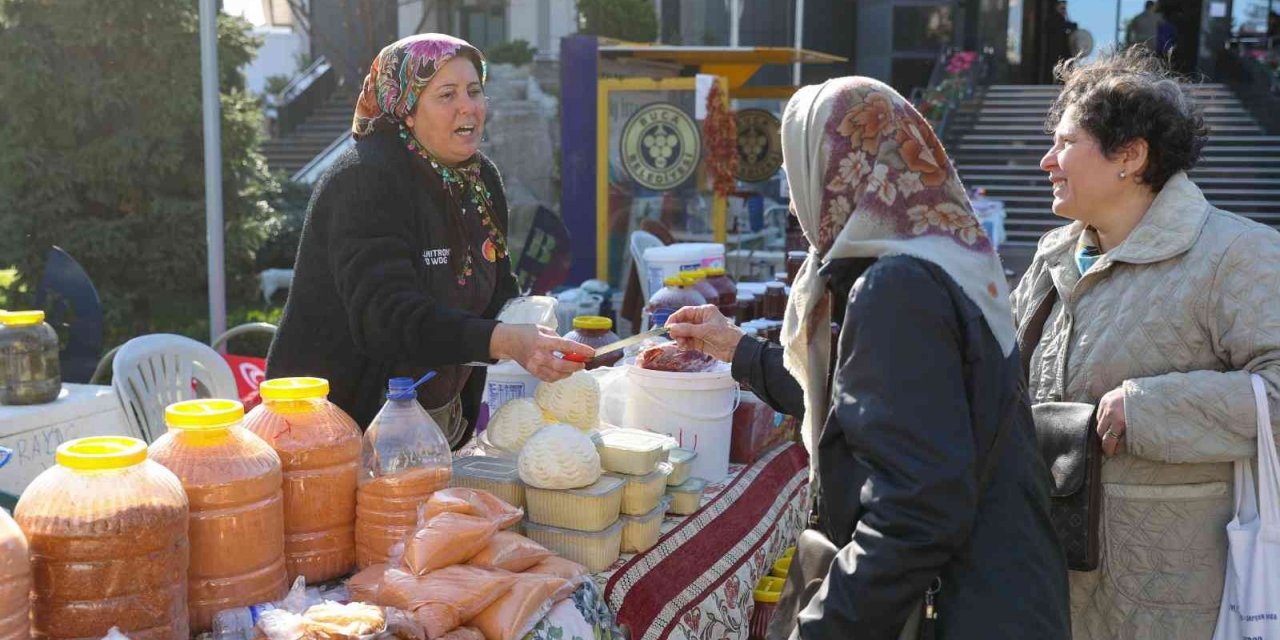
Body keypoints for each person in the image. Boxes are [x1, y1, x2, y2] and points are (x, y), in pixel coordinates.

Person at [666, 77, 1070, 638]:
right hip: (1003, 590)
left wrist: (822, 628)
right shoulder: (935, 258)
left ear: (842, 171)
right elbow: (863, 402)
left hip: (964, 609)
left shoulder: (897, 289)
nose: (793, 198)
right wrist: (736, 349)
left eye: (800, 170)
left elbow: (917, 512)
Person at [1017, 49, 1280, 638]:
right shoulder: (1051, 254)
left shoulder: (1238, 255)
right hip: (1050, 577)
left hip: (1177, 592)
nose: (1046, 161)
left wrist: (1149, 407)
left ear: (1130, 156)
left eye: (1065, 144)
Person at [266, 34, 592, 446]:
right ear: (406, 111)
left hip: (432, 420)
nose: (468, 106)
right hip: (335, 429)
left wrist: (533, 331)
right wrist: (502, 339)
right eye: (446, 94)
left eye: (475, 91)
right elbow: (385, 317)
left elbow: (497, 287)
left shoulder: (479, 179)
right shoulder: (365, 179)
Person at [1044, 1, 1078, 82]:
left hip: (1061, 55)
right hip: (1056, 53)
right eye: (1062, 8)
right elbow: (1062, 26)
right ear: (1056, 8)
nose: (1064, 11)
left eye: (1065, 9)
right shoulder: (1054, 19)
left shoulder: (1062, 21)